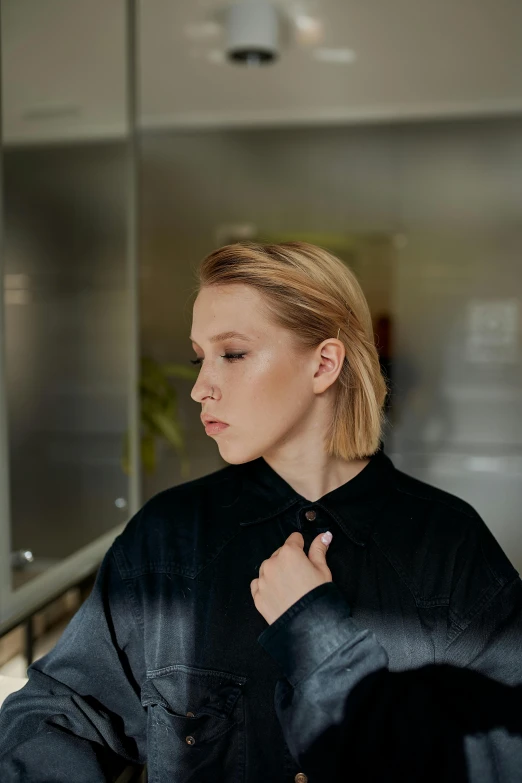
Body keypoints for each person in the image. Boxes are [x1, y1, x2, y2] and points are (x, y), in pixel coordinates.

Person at [0, 241, 520, 782]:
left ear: (323, 364)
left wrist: (316, 637)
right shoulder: (168, 537)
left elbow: (498, 755)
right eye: (200, 357)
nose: (201, 388)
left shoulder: (451, 546)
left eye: (233, 353)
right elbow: (61, 715)